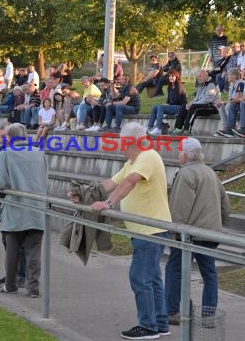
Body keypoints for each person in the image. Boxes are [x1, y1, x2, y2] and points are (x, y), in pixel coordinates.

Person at [82, 122, 172, 339]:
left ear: (132, 141)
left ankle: (148, 326)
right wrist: (83, 194)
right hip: (144, 231)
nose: (121, 147)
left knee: (140, 278)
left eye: (123, 143)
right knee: (152, 278)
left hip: (150, 231)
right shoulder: (132, 161)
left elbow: (131, 181)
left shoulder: (148, 156)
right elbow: (110, 184)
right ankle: (160, 323)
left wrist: (109, 203)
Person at [165, 138, 230, 326]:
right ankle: (209, 316)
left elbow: (180, 207)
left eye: (179, 151)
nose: (178, 154)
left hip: (190, 234)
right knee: (209, 273)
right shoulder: (210, 172)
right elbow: (226, 204)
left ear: (185, 154)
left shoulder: (186, 174)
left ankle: (172, 312)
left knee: (175, 269)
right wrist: (218, 225)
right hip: (210, 233)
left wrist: (175, 230)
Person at [0, 123, 47, 298]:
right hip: (37, 208)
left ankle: (11, 285)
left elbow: (1, 183)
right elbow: (44, 180)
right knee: (34, 251)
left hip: (15, 209)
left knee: (12, 251)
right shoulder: (40, 153)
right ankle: (33, 288)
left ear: (9, 138)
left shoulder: (6, 154)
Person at [172, 70, 220, 135]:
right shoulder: (201, 84)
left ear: (206, 76)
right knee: (184, 106)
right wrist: (190, 103)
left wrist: (193, 104)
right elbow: (197, 98)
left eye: (200, 76)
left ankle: (187, 129)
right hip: (203, 105)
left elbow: (208, 99)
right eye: (197, 77)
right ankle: (178, 128)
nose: (198, 78)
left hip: (212, 107)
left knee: (194, 108)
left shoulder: (211, 84)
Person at [147, 69, 187, 136]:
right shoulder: (170, 87)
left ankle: (158, 128)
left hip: (180, 107)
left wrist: (166, 106)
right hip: (173, 106)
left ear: (176, 77)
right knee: (155, 107)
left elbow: (178, 101)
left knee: (161, 107)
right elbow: (169, 101)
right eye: (169, 76)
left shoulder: (179, 86)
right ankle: (149, 127)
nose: (170, 77)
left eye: (172, 76)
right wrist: (166, 105)